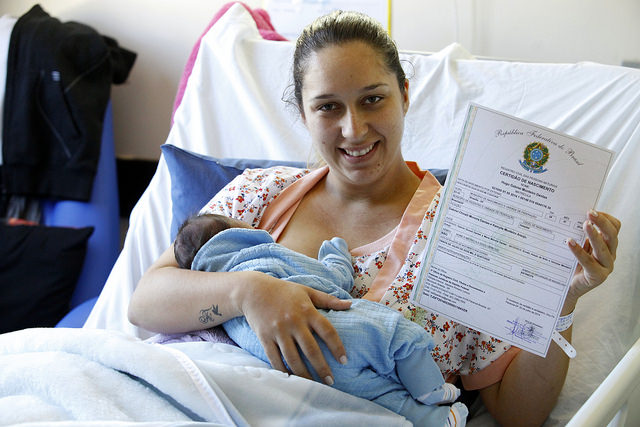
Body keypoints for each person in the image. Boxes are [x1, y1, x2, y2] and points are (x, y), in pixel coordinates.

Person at [129, 10, 621, 426]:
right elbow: (145, 303)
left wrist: (559, 300)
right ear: (303, 113)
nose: (353, 128)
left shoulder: (467, 230)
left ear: (405, 96)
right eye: (328, 107)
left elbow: (518, 415)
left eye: (373, 99)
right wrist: (251, 292)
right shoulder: (259, 193)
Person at [173, 213, 468, 426]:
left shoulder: (210, 291)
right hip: (332, 333)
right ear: (238, 232)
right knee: (400, 337)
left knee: (370, 395)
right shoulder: (263, 254)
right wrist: (335, 252)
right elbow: (330, 280)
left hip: (293, 367)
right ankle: (430, 389)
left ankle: (437, 420)